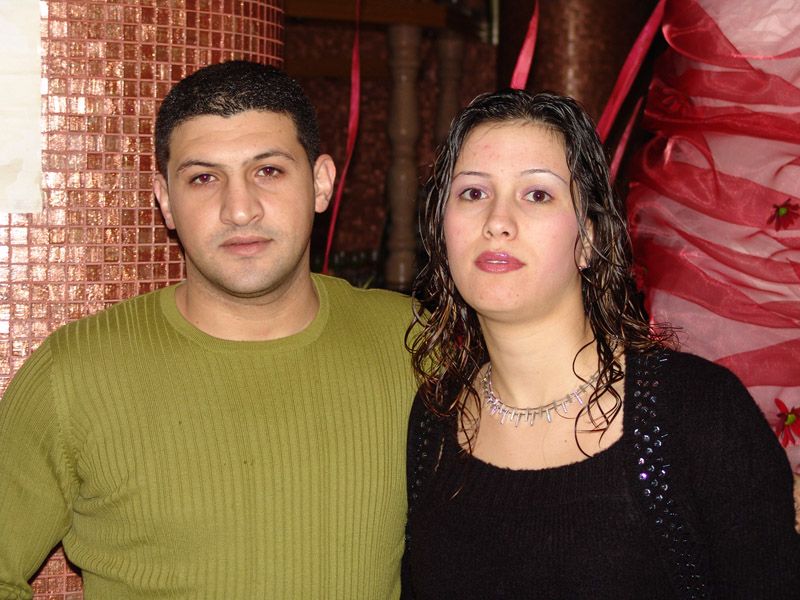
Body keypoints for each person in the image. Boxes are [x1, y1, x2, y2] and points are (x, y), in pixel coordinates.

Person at [0, 60, 416, 599]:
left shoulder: (412, 344)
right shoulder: (74, 373)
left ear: (320, 183)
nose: (239, 210)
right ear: (165, 200)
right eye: (203, 178)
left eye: (268, 171)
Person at [403, 89, 800, 599]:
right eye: (473, 193)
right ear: (442, 230)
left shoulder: (697, 412)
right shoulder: (434, 419)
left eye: (537, 194)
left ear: (589, 239)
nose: (497, 221)